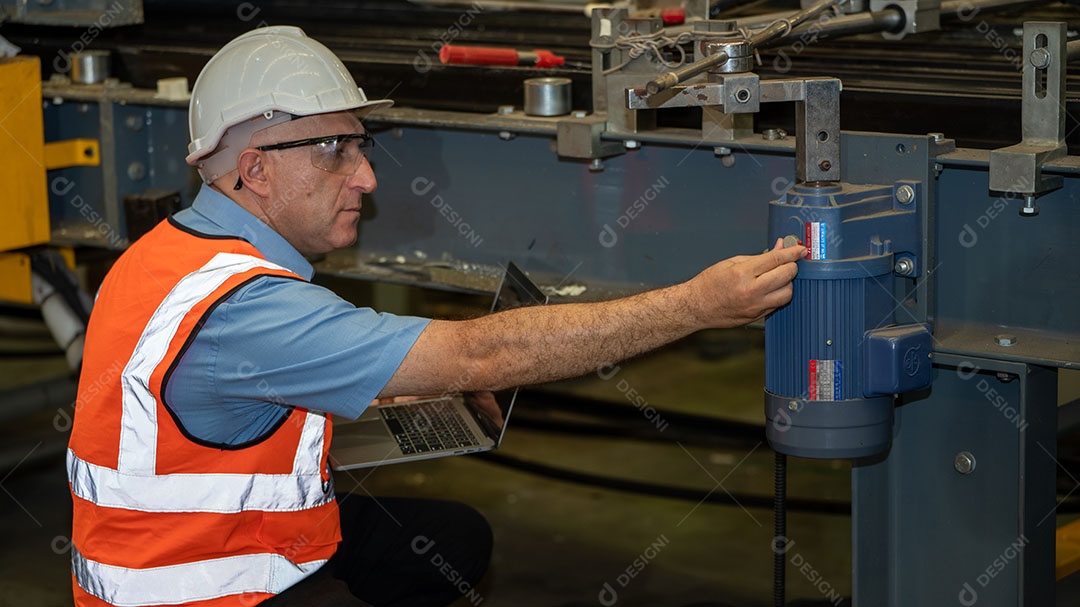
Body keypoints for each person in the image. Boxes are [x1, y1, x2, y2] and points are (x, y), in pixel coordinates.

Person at [66, 26, 805, 607]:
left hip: (188, 553)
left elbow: (227, 401)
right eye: (333, 150)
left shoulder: (171, 252)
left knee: (452, 539)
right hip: (202, 591)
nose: (365, 175)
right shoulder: (248, 308)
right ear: (254, 169)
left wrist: (389, 385)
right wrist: (697, 305)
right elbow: (477, 359)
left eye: (358, 145)